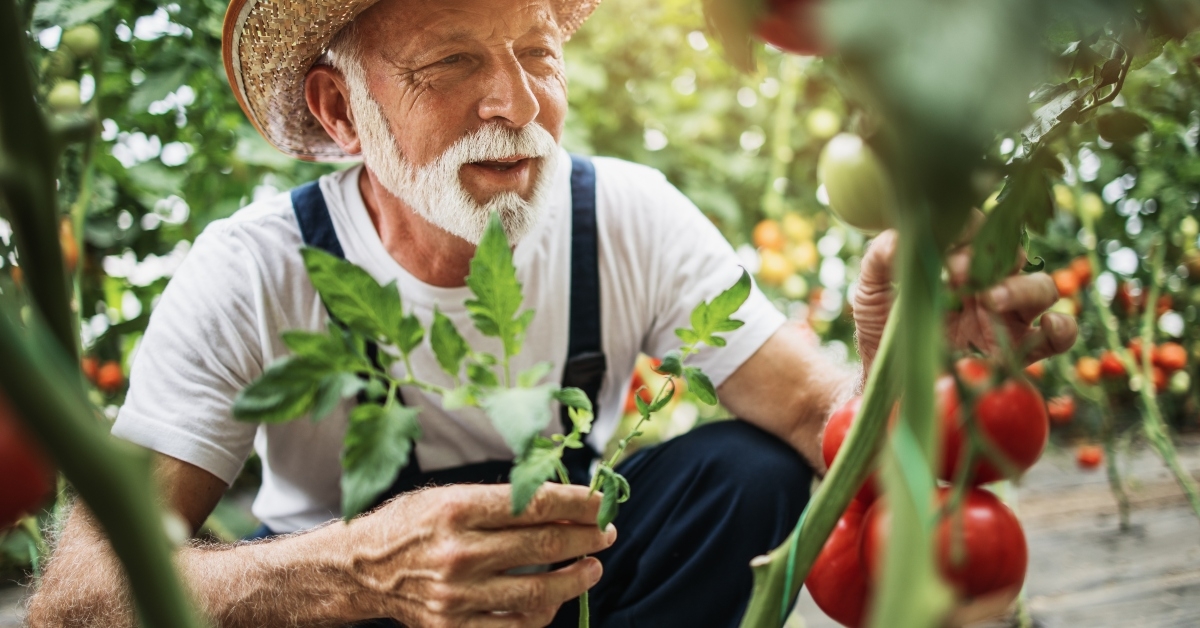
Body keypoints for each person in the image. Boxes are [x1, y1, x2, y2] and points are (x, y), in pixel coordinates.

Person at [25, 0, 1078, 625]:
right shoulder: (252, 271)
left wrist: (914, 358)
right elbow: (76, 598)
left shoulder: (624, 216)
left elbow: (821, 420)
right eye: (453, 62)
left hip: (583, 596)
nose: (518, 105)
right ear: (339, 109)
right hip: (354, 615)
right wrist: (356, 568)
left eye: (537, 52)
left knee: (749, 474)